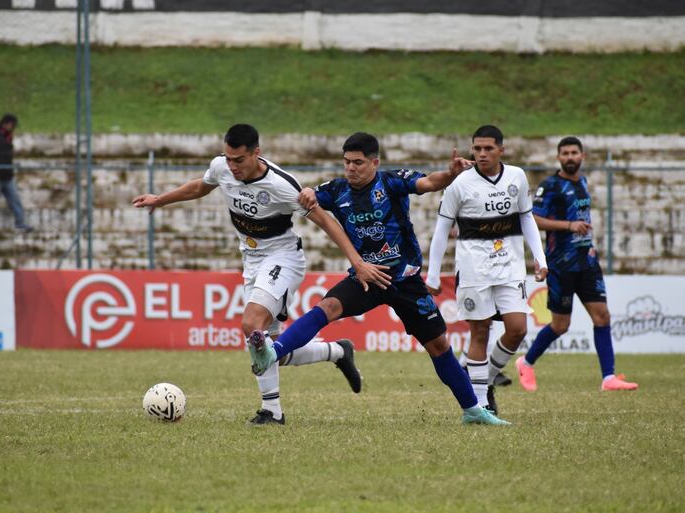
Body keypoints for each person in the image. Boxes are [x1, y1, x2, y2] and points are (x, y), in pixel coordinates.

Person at [132, 124, 391, 425]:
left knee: (251, 323)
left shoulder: (282, 186)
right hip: (252, 261)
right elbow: (201, 186)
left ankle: (272, 411)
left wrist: (357, 261)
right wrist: (160, 199)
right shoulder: (222, 167)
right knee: (271, 352)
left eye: (239, 160)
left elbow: (326, 222)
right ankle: (336, 351)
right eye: (228, 159)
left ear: (257, 153)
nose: (232, 166)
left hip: (283, 258)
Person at [248, 132, 509, 426]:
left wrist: (449, 173)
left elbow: (428, 183)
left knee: (438, 346)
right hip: (366, 277)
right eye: (346, 162)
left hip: (405, 279)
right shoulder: (336, 190)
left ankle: (473, 411)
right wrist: (308, 190)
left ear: (375, 162)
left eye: (357, 162)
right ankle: (272, 352)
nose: (350, 168)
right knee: (328, 307)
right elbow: (308, 196)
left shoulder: (392, 182)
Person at [426, 125, 548, 416]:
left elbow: (527, 219)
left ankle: (486, 379)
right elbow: (442, 229)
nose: (481, 154)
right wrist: (432, 274)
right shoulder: (459, 183)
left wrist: (540, 259)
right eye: (477, 149)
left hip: (510, 267)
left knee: (517, 329)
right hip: (473, 270)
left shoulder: (516, 176)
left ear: (501, 150)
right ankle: (481, 405)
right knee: (479, 332)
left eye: (488, 148)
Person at [515, 137, 638, 392]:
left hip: (588, 262)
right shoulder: (550, 185)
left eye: (574, 153)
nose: (570, 157)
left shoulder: (582, 181)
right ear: (558, 157)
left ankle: (608, 378)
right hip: (562, 264)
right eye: (565, 153)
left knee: (602, 316)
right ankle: (526, 363)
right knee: (561, 325)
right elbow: (533, 219)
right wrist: (569, 226)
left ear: (583, 156)